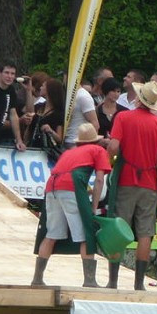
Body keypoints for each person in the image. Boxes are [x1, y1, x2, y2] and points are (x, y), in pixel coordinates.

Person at [105, 81, 157, 290]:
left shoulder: (123, 117)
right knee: (145, 233)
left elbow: (114, 146)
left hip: (125, 180)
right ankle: (139, 283)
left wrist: (110, 162)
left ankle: (113, 281)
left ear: (138, 97)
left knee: (119, 229)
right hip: (149, 183)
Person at [31, 123, 111, 288]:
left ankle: (37, 278)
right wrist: (93, 207)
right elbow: (99, 180)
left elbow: (68, 176)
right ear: (96, 141)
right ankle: (89, 280)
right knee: (86, 233)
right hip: (71, 187)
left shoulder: (69, 152)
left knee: (51, 233)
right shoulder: (98, 151)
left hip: (52, 187)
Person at [28, 79, 66, 152]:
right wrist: (28, 90)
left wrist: (50, 131)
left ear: (49, 90)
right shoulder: (39, 106)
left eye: (43, 86)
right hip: (32, 147)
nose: (40, 88)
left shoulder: (58, 113)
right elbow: (29, 112)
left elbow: (59, 138)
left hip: (46, 150)